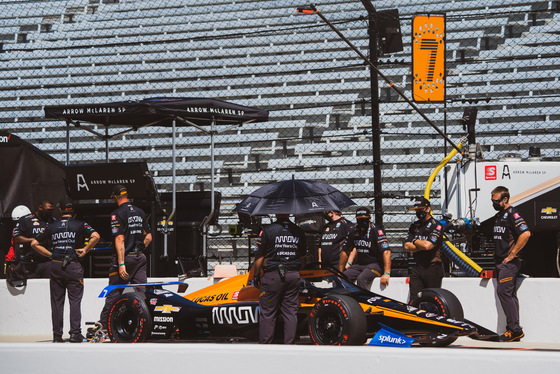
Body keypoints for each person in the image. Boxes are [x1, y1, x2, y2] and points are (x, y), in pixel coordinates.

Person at [31, 197, 100, 343]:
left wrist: (50, 254)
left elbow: (34, 243)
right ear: (72, 210)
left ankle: (57, 335)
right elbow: (96, 236)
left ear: (60, 210)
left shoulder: (52, 226)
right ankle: (75, 334)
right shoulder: (80, 224)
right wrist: (85, 249)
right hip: (73, 265)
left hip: (56, 264)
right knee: (75, 300)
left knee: (57, 301)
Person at [97, 184, 152, 333]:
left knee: (114, 293)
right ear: (127, 195)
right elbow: (148, 236)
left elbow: (119, 239)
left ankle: (103, 328)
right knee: (142, 293)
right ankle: (148, 325)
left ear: (115, 197)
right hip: (139, 258)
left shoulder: (117, 213)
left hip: (125, 259)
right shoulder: (140, 212)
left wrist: (121, 264)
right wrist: (139, 249)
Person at [253, 213, 307, 344]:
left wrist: (256, 275)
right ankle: (289, 344)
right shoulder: (299, 231)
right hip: (293, 274)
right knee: (290, 312)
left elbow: (259, 256)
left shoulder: (267, 230)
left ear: (276, 213)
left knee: (268, 312)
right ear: (289, 213)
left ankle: (266, 345)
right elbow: (302, 256)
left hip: (273, 275)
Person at [491, 186, 531, 342]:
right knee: (508, 294)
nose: (493, 203)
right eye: (492, 200)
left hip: (509, 263)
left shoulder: (512, 214)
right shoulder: (498, 216)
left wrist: (512, 254)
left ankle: (515, 330)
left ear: (505, 199)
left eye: (496, 201)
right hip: (500, 262)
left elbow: (526, 233)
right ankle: (514, 329)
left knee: (504, 292)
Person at [404, 197, 444, 304]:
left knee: (432, 300)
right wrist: (419, 245)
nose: (418, 212)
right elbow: (407, 247)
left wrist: (416, 241)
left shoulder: (437, 225)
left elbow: (428, 246)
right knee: (414, 300)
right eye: (416, 210)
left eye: (420, 209)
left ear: (428, 209)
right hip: (417, 267)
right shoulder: (414, 226)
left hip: (432, 268)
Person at [344, 207, 391, 290]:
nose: (362, 222)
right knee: (343, 277)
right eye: (359, 219)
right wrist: (348, 263)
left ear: (369, 219)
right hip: (360, 265)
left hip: (375, 265)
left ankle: (365, 301)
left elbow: (386, 251)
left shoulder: (376, 230)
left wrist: (387, 273)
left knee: (361, 279)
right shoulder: (354, 230)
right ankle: (349, 300)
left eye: (364, 219)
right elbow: (349, 249)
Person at [13, 200, 55, 278]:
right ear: (40, 208)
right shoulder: (26, 220)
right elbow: (17, 239)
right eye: (48, 210)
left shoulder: (53, 221)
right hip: (30, 263)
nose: (50, 212)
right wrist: (36, 241)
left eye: (52, 210)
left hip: (48, 262)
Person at [5, 205, 32, 287]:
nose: (17, 225)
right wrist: (8, 260)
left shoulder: (33, 229)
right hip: (19, 263)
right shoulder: (15, 231)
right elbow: (13, 247)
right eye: (16, 223)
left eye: (19, 223)